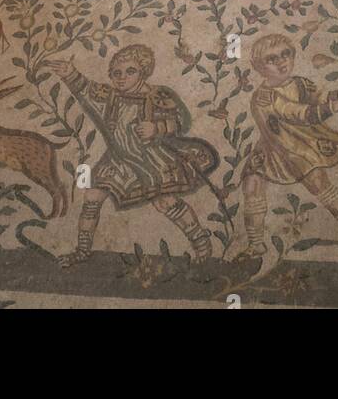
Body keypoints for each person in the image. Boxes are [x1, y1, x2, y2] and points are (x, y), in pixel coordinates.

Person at [45, 44, 218, 267]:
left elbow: (182, 121)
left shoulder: (158, 95)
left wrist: (157, 128)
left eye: (130, 71)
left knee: (165, 202)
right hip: (118, 159)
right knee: (92, 196)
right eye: (116, 73)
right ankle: (82, 251)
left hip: (151, 158)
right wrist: (70, 73)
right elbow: (87, 88)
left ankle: (201, 243)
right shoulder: (110, 96)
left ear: (143, 71)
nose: (121, 78)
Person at [238, 34, 338, 256]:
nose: (282, 62)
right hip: (273, 148)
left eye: (285, 54)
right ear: (258, 67)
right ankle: (255, 243)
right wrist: (330, 108)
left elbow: (321, 95)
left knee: (319, 182)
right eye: (272, 59)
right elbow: (294, 112)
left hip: (301, 144)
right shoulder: (264, 97)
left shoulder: (301, 83)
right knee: (252, 186)